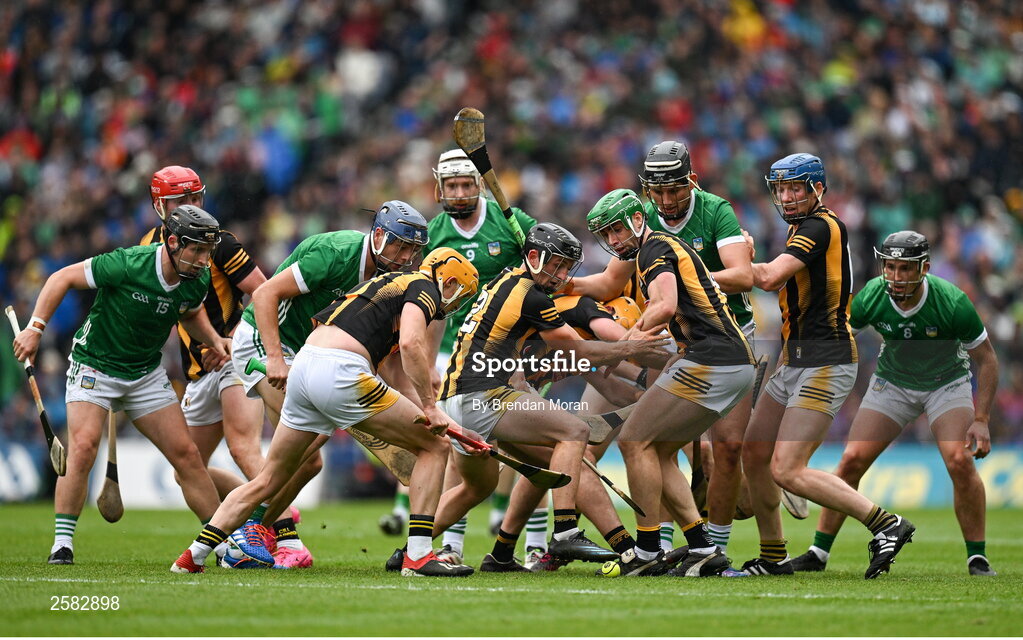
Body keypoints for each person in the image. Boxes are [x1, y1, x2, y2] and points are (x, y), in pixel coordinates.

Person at [171, 248, 485, 576]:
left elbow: (402, 384)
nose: (456, 305)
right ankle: (418, 556)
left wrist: (451, 425)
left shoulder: (384, 285)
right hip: (343, 371)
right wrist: (433, 408)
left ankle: (192, 556)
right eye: (460, 295)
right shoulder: (425, 288)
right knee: (433, 448)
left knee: (268, 478)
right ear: (449, 282)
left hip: (307, 364)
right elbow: (410, 345)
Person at [430, 222, 669, 571]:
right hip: (480, 395)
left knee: (504, 478)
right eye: (553, 264)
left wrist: (656, 393)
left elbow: (613, 385)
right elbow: (583, 349)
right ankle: (568, 533)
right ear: (532, 257)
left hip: (464, 397)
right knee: (574, 433)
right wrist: (632, 347)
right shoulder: (540, 299)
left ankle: (425, 547)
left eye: (564, 267)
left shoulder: (510, 283)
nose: (559, 275)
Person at [12, 205, 230, 565]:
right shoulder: (128, 263)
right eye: (197, 250)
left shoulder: (197, 279)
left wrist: (213, 339)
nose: (204, 260)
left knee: (188, 457)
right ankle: (62, 544)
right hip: (95, 366)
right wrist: (35, 328)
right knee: (82, 449)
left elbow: (189, 312)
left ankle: (220, 544)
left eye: (208, 252)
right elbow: (61, 278)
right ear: (173, 242)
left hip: (145, 373)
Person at [742, 153, 914, 579]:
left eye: (796, 187)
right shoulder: (801, 228)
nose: (787, 196)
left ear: (817, 189)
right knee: (754, 452)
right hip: (795, 359)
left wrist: (707, 272)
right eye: (780, 188)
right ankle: (773, 556)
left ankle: (886, 524)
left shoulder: (821, 225)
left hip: (827, 359)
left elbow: (766, 279)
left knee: (787, 468)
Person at [231, 200, 430, 567]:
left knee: (309, 463)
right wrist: (275, 358)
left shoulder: (391, 280)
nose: (405, 257)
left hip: (310, 354)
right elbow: (264, 294)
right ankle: (247, 532)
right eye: (400, 246)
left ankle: (273, 535)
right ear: (379, 236)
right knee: (309, 450)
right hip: (266, 340)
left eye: (413, 251)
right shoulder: (335, 253)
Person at [791, 231, 998, 577]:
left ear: (925, 268)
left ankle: (977, 557)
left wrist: (982, 419)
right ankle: (818, 552)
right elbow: (838, 341)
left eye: (905, 269)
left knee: (959, 462)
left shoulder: (953, 302)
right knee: (852, 460)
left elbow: (988, 360)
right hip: (893, 383)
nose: (897, 277)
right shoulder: (872, 295)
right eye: (891, 267)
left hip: (945, 384)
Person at [585, 188, 754, 577]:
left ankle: (646, 551)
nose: (613, 241)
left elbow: (664, 306)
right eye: (606, 235)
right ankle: (702, 547)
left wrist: (622, 346)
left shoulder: (652, 250)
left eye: (617, 230)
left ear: (638, 221)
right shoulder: (661, 247)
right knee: (659, 450)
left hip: (714, 359)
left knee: (633, 441)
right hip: (727, 360)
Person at [380, 149, 539, 543]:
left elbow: (543, 282)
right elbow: (426, 306)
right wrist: (428, 363)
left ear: (481, 185)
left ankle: (534, 545)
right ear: (439, 187)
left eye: (467, 184)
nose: (460, 192)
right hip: (455, 351)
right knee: (457, 445)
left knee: (528, 444)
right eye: (452, 185)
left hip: (513, 348)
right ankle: (451, 544)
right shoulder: (431, 233)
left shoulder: (514, 223)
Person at [142, 166, 269, 503]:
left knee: (243, 447)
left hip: (235, 359)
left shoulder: (221, 243)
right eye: (179, 200)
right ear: (159, 205)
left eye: (196, 197)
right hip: (197, 372)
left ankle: (288, 538)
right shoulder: (148, 246)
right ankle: (256, 511)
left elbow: (265, 293)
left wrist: (231, 341)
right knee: (187, 469)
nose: (191, 205)